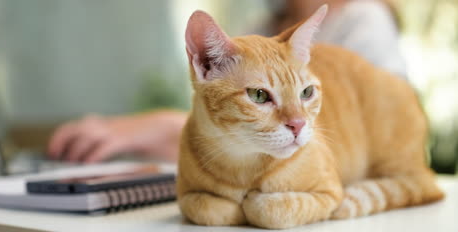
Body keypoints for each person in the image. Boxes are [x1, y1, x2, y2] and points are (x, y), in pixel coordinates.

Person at [47, 0, 405, 163]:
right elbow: (240, 135)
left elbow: (364, 139)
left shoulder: (363, 18)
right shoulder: (264, 24)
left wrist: (158, 126)